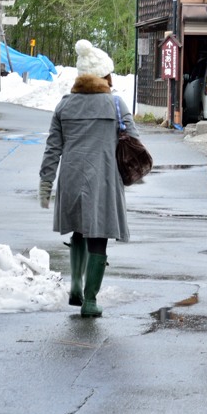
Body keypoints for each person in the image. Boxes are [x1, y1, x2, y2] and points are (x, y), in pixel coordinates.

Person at [38, 39, 140, 318]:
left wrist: (46, 183)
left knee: (78, 230)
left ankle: (75, 284)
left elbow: (52, 147)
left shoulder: (64, 106)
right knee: (99, 236)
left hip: (71, 176)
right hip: (104, 180)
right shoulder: (116, 105)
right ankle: (90, 300)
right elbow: (134, 140)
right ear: (105, 76)